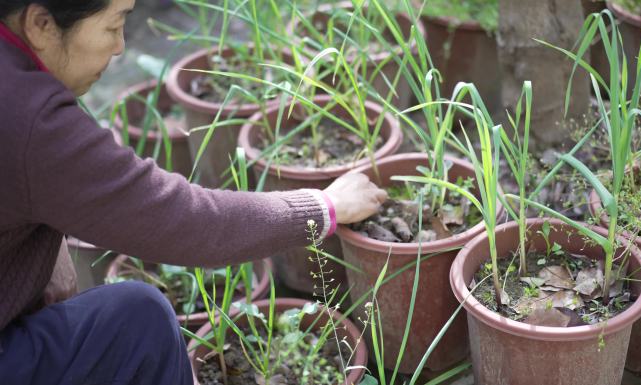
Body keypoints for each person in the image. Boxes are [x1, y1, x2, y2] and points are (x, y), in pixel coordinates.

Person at [0, 1, 387, 384]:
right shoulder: (29, 120)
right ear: (41, 25)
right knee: (140, 320)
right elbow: (182, 220)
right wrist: (323, 207)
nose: (120, 46)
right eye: (113, 25)